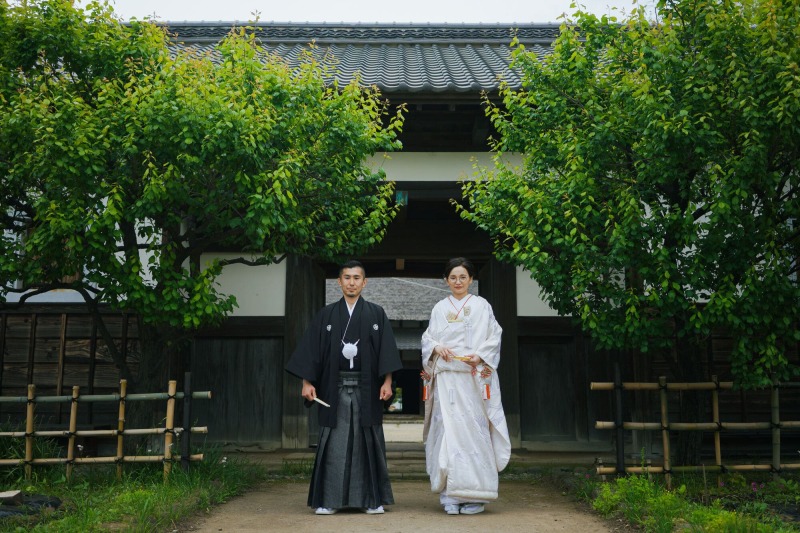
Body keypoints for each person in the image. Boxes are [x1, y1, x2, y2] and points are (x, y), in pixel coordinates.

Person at [286, 260, 403, 515]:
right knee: (334, 444)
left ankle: (371, 500)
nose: (351, 282)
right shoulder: (326, 315)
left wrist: (387, 382)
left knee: (367, 441)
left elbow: (386, 351)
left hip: (367, 388)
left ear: (364, 282)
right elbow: (312, 351)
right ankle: (329, 500)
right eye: (347, 278)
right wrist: (307, 382)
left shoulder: (376, 313)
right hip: (334, 387)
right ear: (339, 282)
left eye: (356, 278)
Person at [420, 257, 511, 515]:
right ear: (446, 280)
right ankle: (450, 495)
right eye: (453, 277)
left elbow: (494, 335)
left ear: (471, 279)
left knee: (475, 434)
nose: (458, 282)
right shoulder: (439, 308)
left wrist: (480, 356)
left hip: (472, 379)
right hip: (447, 380)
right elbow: (428, 338)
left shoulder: (482, 306)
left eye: (463, 277)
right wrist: (437, 347)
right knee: (447, 435)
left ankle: (476, 495)